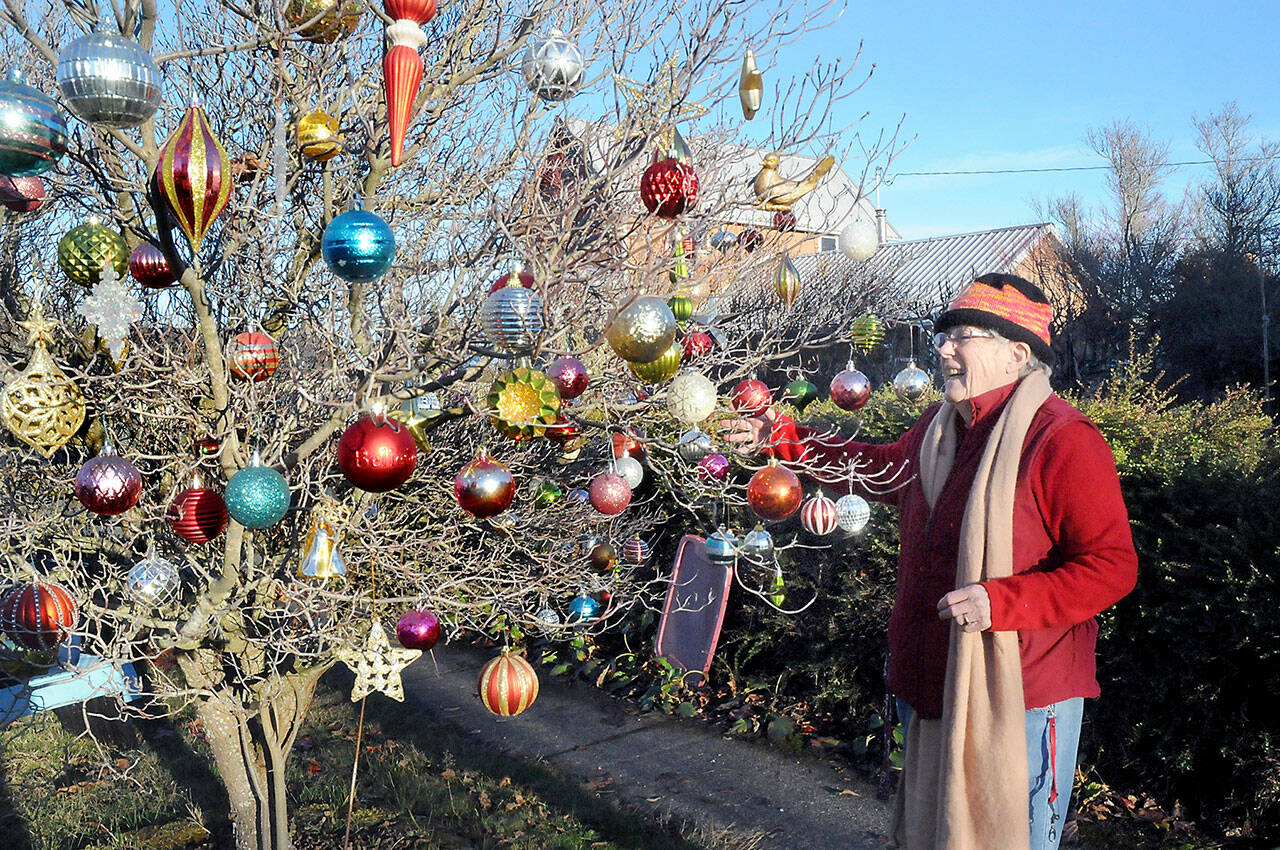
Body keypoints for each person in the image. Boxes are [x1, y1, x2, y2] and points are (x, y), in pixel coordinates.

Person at [726, 273, 1138, 850]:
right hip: (931, 676)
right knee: (938, 832)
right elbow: (875, 468)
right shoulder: (941, 429)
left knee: (1012, 836)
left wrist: (1001, 602)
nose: (944, 348)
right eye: (944, 335)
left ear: (1017, 353)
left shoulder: (1064, 439)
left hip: (1023, 690)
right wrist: (783, 441)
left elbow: (1112, 565)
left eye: (964, 335)